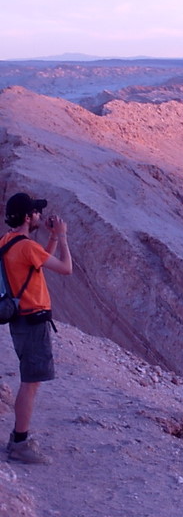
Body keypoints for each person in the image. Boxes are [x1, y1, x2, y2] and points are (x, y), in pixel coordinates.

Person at [2, 192, 72, 464]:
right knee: (30, 385)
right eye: (36, 213)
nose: (41, 216)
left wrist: (51, 237)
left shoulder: (9, 241)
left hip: (21, 319)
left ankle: (17, 438)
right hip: (32, 320)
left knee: (29, 381)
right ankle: (20, 443)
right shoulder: (27, 247)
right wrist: (64, 236)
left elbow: (36, 265)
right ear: (28, 217)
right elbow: (66, 269)